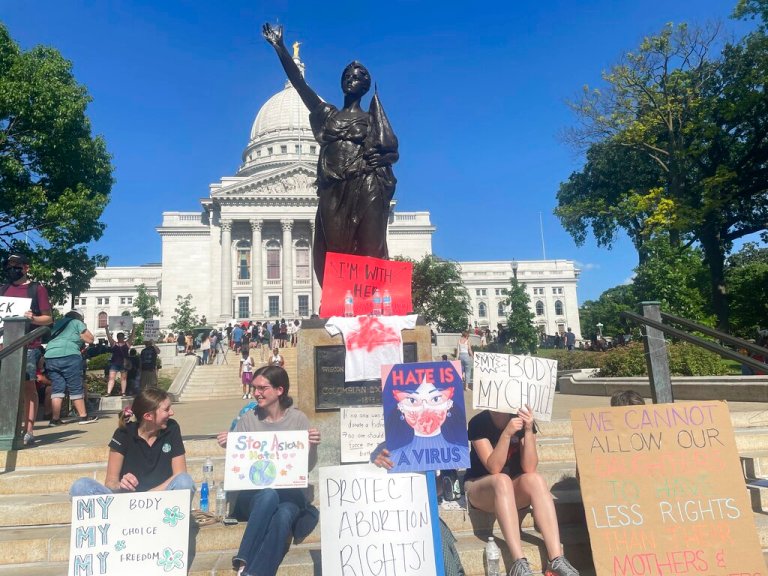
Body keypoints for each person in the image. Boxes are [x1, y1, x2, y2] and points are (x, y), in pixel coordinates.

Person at [263, 24, 399, 287]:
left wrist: (384, 160)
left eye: (357, 76)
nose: (351, 78)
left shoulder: (372, 118)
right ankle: (339, 302)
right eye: (347, 75)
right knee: (336, 253)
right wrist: (280, 48)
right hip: (335, 189)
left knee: (371, 248)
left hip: (365, 184)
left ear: (366, 86)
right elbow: (301, 86)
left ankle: (376, 303)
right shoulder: (328, 115)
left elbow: (391, 150)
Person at [216, 366, 321, 576]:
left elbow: (306, 467)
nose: (256, 393)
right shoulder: (248, 419)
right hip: (254, 496)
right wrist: (231, 445)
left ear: (279, 390)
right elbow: (239, 468)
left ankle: (252, 572)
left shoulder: (298, 419)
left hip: (290, 495)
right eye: (255, 388)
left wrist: (313, 446)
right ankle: (243, 557)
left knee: (284, 515)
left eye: (262, 388)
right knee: (268, 494)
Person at [463, 405, 579, 576]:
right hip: (480, 487)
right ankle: (518, 562)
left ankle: (556, 559)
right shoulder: (478, 423)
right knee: (501, 480)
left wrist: (528, 429)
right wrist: (507, 434)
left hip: (511, 488)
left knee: (536, 479)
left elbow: (530, 466)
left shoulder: (521, 418)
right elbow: (494, 467)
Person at [70, 387, 195, 496]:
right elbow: (110, 482)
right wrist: (121, 484)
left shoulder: (171, 428)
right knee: (81, 486)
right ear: (148, 416)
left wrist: (149, 496)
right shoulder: (123, 433)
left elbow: (180, 474)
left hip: (161, 500)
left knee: (185, 481)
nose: (172, 413)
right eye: (166, 409)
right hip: (127, 502)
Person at [1, 254, 53, 446]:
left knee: (28, 386)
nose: (11, 268)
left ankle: (28, 430)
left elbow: (48, 319)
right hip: (3, 345)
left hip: (28, 345)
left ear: (26, 267)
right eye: (9, 265)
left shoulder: (36, 289)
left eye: (16, 265)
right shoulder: (3, 289)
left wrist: (32, 318)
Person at [45, 309, 98, 426]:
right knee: (75, 386)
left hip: (50, 356)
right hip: (69, 355)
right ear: (80, 318)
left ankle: (55, 419)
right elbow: (90, 338)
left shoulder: (57, 323)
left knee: (57, 388)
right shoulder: (76, 322)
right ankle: (83, 416)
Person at [105, 324, 136, 397]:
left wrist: (134, 328)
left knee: (123, 378)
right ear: (117, 337)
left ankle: (123, 392)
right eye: (119, 337)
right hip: (116, 363)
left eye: (121, 336)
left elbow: (132, 336)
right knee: (112, 378)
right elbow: (109, 336)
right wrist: (106, 329)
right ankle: (109, 392)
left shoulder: (126, 343)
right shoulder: (115, 343)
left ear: (123, 337)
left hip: (122, 363)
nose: (120, 338)